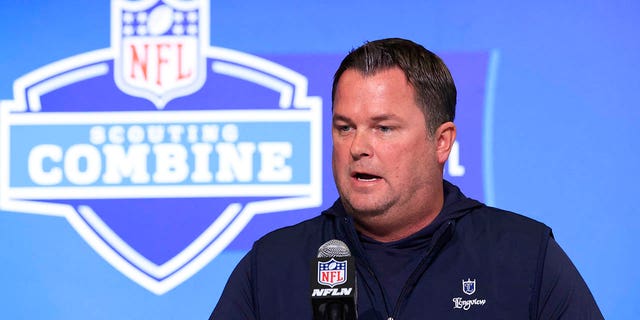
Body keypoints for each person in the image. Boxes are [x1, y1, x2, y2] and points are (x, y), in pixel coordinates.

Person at [210, 38, 603, 319]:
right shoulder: (273, 265)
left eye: (383, 128)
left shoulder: (523, 256)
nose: (358, 147)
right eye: (345, 127)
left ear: (442, 142)